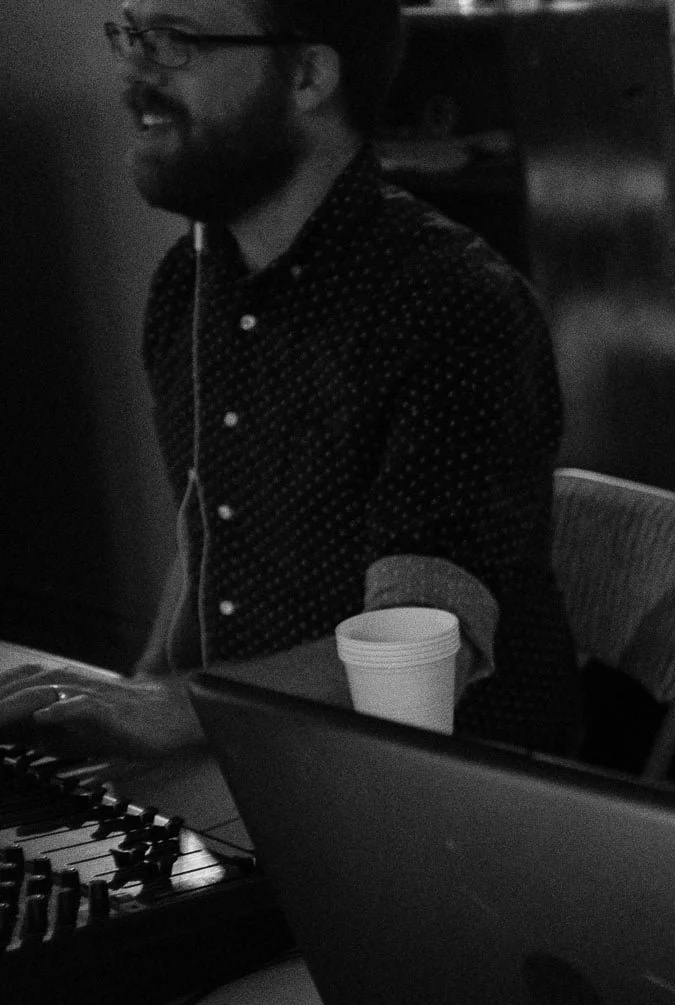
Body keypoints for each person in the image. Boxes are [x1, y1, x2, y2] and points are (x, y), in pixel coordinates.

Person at [0, 0, 578, 758]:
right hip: (249, 759)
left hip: (436, 812)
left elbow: (424, 644)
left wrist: (178, 707)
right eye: (132, 35)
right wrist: (133, 695)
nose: (132, 71)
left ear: (308, 75)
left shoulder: (452, 306)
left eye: (174, 40)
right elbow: (212, 529)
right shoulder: (189, 284)